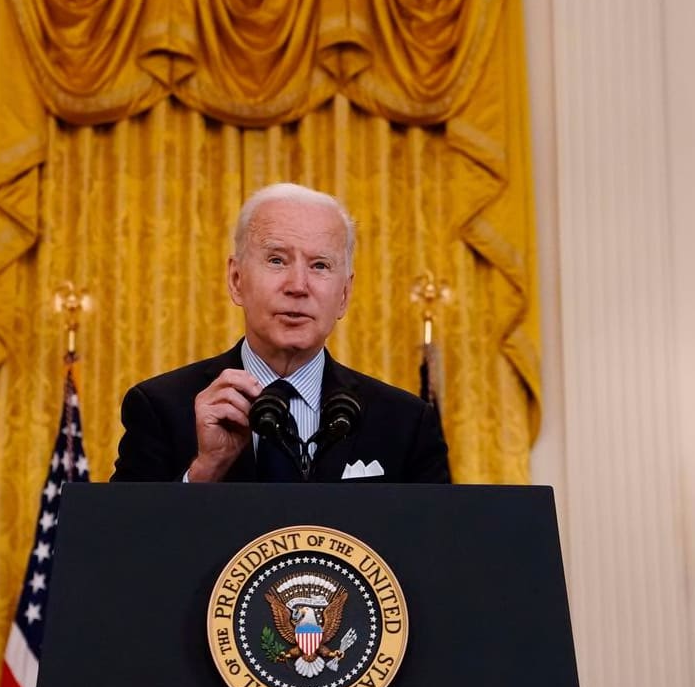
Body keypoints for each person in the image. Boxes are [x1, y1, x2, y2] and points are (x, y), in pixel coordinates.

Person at [112, 183, 450, 483]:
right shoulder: (160, 408)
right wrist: (205, 469)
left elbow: (437, 548)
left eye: (320, 265)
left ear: (344, 295)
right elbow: (122, 548)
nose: (298, 286)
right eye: (277, 260)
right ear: (236, 280)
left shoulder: (405, 423)